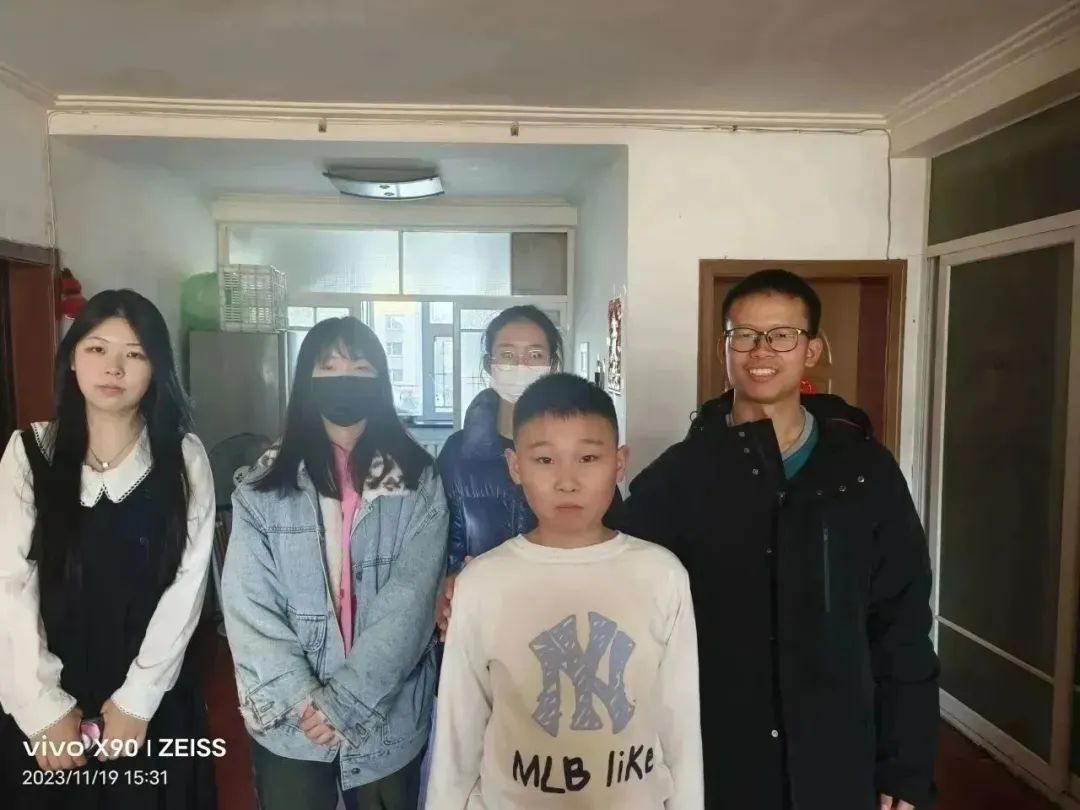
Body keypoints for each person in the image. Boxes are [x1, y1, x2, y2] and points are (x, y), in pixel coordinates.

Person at [617, 269, 940, 810]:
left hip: (837, 757)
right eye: (743, 334)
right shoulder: (680, 476)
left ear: (811, 350)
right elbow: (619, 597)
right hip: (718, 757)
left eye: (782, 335)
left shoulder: (863, 472)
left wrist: (906, 769)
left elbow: (901, 626)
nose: (761, 350)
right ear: (724, 349)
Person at [425, 373, 703, 810]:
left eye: (588, 458)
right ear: (515, 466)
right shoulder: (483, 583)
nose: (567, 481)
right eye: (545, 460)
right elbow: (457, 737)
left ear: (620, 463)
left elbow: (681, 728)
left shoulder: (661, 575)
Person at [0, 289, 217, 809]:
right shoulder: (29, 453)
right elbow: (8, 582)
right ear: (72, 359)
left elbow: (188, 585)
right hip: (47, 696)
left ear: (156, 368)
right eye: (97, 349)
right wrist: (43, 708)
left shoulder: (183, 457)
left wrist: (137, 702)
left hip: (153, 696)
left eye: (134, 354)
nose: (113, 368)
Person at [221, 316, 449, 810]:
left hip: (387, 720)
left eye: (360, 367)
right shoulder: (262, 488)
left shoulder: (418, 481)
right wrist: (303, 701)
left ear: (381, 380)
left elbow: (411, 603)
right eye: (329, 367)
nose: (345, 378)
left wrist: (346, 702)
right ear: (306, 378)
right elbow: (248, 605)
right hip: (292, 722)